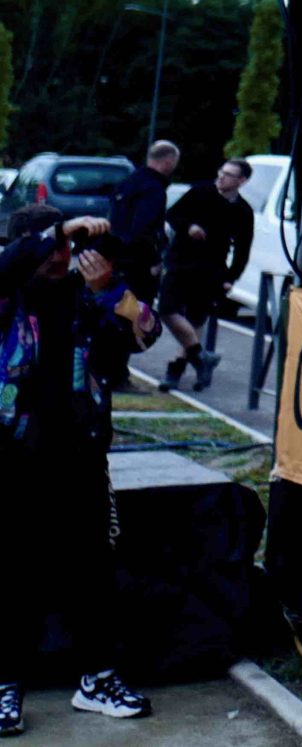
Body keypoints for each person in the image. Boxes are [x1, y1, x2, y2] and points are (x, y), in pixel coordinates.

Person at [0, 207, 157, 727]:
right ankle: (5, 685)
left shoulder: (85, 294)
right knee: (13, 573)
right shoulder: (8, 293)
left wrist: (109, 289)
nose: (59, 256)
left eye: (67, 247)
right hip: (11, 459)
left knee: (91, 573)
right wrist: (55, 233)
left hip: (79, 457)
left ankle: (97, 678)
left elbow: (146, 330)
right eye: (50, 245)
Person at [161, 159, 254, 391]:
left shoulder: (243, 211)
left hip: (210, 269)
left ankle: (176, 370)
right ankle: (201, 356)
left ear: (241, 181)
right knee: (167, 310)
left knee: (196, 318)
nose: (221, 177)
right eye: (221, 171)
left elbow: (243, 249)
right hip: (181, 261)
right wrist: (189, 226)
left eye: (229, 175)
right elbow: (173, 214)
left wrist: (231, 278)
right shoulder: (201, 192)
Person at [95, 141, 177, 394]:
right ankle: (118, 376)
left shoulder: (127, 183)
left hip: (117, 260)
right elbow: (144, 229)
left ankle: (106, 373)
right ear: (168, 162)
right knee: (132, 320)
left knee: (113, 318)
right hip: (137, 266)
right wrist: (153, 260)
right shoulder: (154, 189)